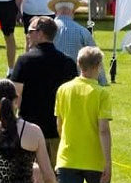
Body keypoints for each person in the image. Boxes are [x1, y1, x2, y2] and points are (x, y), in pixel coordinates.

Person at [55, 46, 114, 183]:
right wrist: (107, 161)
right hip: (95, 159)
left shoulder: (63, 90)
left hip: (68, 157)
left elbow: (60, 124)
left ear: (79, 65)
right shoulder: (101, 93)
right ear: (97, 67)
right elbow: (103, 130)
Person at [10, 16, 80, 162]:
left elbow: (15, 96)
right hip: (58, 130)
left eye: (30, 31)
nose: (28, 35)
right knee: (54, 178)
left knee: (29, 177)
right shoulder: (68, 63)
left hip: (29, 130)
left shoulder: (24, 61)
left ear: (40, 33)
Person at [46, 0, 102, 80]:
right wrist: (102, 81)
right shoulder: (83, 32)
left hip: (50, 80)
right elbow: (95, 58)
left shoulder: (46, 30)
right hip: (77, 81)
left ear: (55, 10)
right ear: (73, 10)